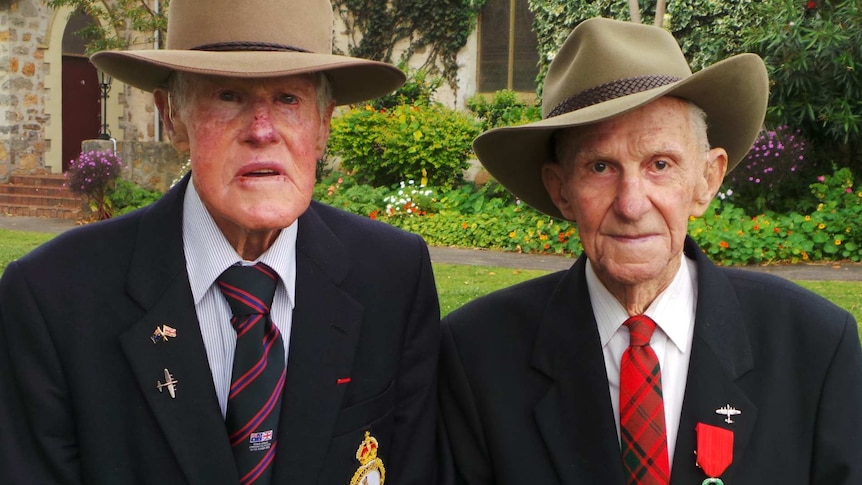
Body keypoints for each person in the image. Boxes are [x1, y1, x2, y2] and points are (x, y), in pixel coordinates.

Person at [0, 0, 440, 483]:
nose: (262, 130)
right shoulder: (52, 297)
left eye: (289, 99)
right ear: (173, 118)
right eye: (228, 95)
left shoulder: (393, 276)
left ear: (323, 124)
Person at [438, 17, 862, 485]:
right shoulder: (477, 353)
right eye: (600, 167)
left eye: (660, 164)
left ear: (706, 180)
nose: (632, 203)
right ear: (561, 190)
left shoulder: (813, 344)